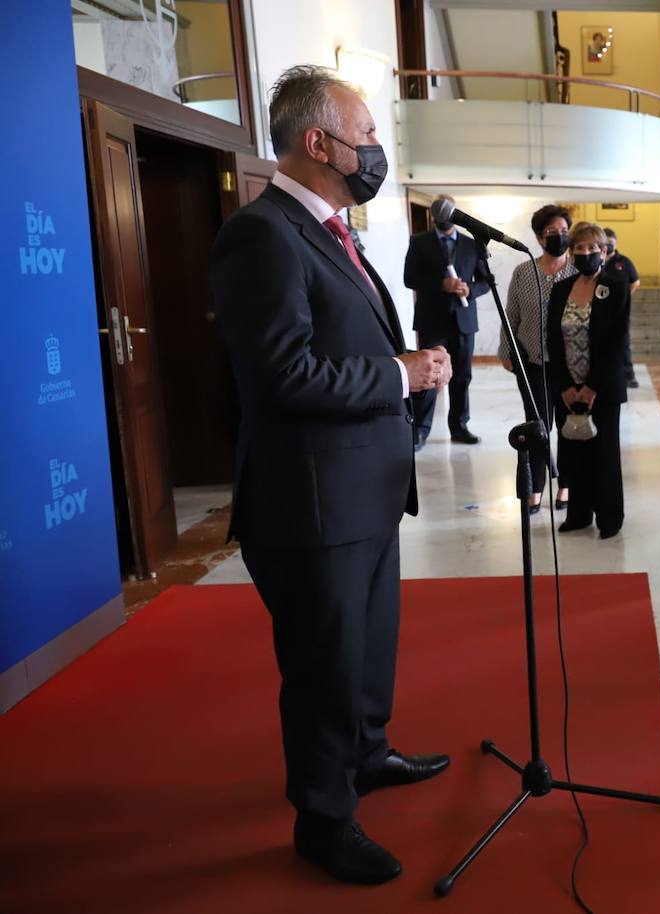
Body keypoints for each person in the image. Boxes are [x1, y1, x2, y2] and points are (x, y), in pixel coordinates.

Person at [209, 65, 452, 885]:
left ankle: (368, 754)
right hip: (309, 506)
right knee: (323, 665)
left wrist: (405, 374)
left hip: (363, 494)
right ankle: (324, 816)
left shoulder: (334, 231)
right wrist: (400, 375)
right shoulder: (263, 235)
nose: (377, 149)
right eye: (368, 135)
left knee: (368, 645)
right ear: (319, 143)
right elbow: (285, 375)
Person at [546, 223, 631, 539]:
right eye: (578, 249)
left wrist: (593, 386)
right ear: (571, 253)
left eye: (591, 249)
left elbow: (616, 341)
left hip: (602, 387)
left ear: (603, 252)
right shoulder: (560, 289)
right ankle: (579, 514)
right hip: (567, 386)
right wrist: (565, 385)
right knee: (572, 451)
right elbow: (553, 340)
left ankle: (610, 517)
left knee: (604, 453)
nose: (585, 254)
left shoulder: (615, 286)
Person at [498, 204, 577, 514]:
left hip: (570, 365)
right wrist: (507, 351)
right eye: (551, 232)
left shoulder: (576, 270)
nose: (558, 237)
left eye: (563, 232)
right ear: (538, 237)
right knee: (537, 427)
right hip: (531, 362)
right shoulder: (524, 271)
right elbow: (512, 315)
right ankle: (536, 489)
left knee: (568, 427)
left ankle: (567, 485)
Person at [404, 193, 487, 448]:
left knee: (462, 376)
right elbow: (410, 279)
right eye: (436, 212)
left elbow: (485, 282)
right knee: (429, 374)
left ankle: (460, 427)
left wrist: (469, 290)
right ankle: (420, 430)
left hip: (464, 320)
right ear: (432, 214)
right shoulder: (418, 242)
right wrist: (441, 284)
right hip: (433, 320)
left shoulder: (472, 245)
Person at [603, 227, 641, 389]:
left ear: (616, 243)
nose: (610, 245)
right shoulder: (597, 260)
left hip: (620, 309)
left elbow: (635, 281)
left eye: (612, 242)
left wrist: (623, 297)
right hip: (599, 306)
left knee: (623, 340)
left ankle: (629, 375)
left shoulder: (624, 262)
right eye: (607, 243)